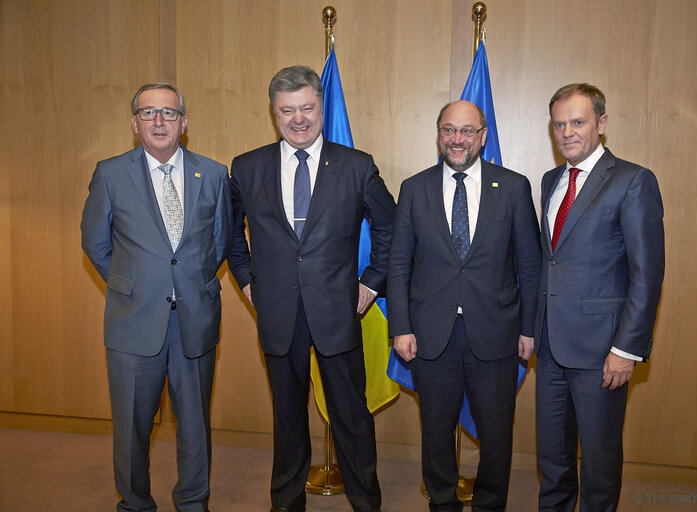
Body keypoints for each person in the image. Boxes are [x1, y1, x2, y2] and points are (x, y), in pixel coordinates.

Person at [227, 65, 395, 512]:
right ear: (273, 113)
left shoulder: (357, 166)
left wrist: (372, 283)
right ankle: (286, 504)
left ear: (322, 108)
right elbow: (229, 237)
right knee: (287, 419)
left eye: (306, 108)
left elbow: (391, 229)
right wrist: (246, 281)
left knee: (352, 418)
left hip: (339, 310)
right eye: (287, 110)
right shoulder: (246, 167)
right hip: (278, 312)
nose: (298, 118)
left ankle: (366, 503)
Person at [81, 82, 232, 511]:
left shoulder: (215, 173)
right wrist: (133, 283)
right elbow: (95, 243)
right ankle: (135, 503)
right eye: (148, 113)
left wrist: (186, 282)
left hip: (195, 321)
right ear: (134, 123)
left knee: (195, 427)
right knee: (131, 427)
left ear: (184, 122)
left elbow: (219, 244)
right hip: (133, 322)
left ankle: (193, 502)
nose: (159, 121)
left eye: (168, 113)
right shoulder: (110, 173)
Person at [387, 100, 541, 512]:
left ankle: (490, 505)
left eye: (467, 131)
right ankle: (442, 504)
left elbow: (529, 263)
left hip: (496, 334)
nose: (458, 139)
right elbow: (399, 264)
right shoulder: (414, 188)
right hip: (430, 335)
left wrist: (530, 329)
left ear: (483, 135)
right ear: (438, 133)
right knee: (435, 433)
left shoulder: (513, 187)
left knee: (496, 436)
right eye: (449, 130)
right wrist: (400, 327)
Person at [535, 83, 665, 511]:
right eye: (559, 124)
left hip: (602, 352)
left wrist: (626, 349)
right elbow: (550, 263)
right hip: (551, 346)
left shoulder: (632, 181)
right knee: (552, 461)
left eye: (578, 121)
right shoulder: (551, 180)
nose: (567, 132)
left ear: (601, 124)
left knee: (598, 465)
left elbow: (646, 274)